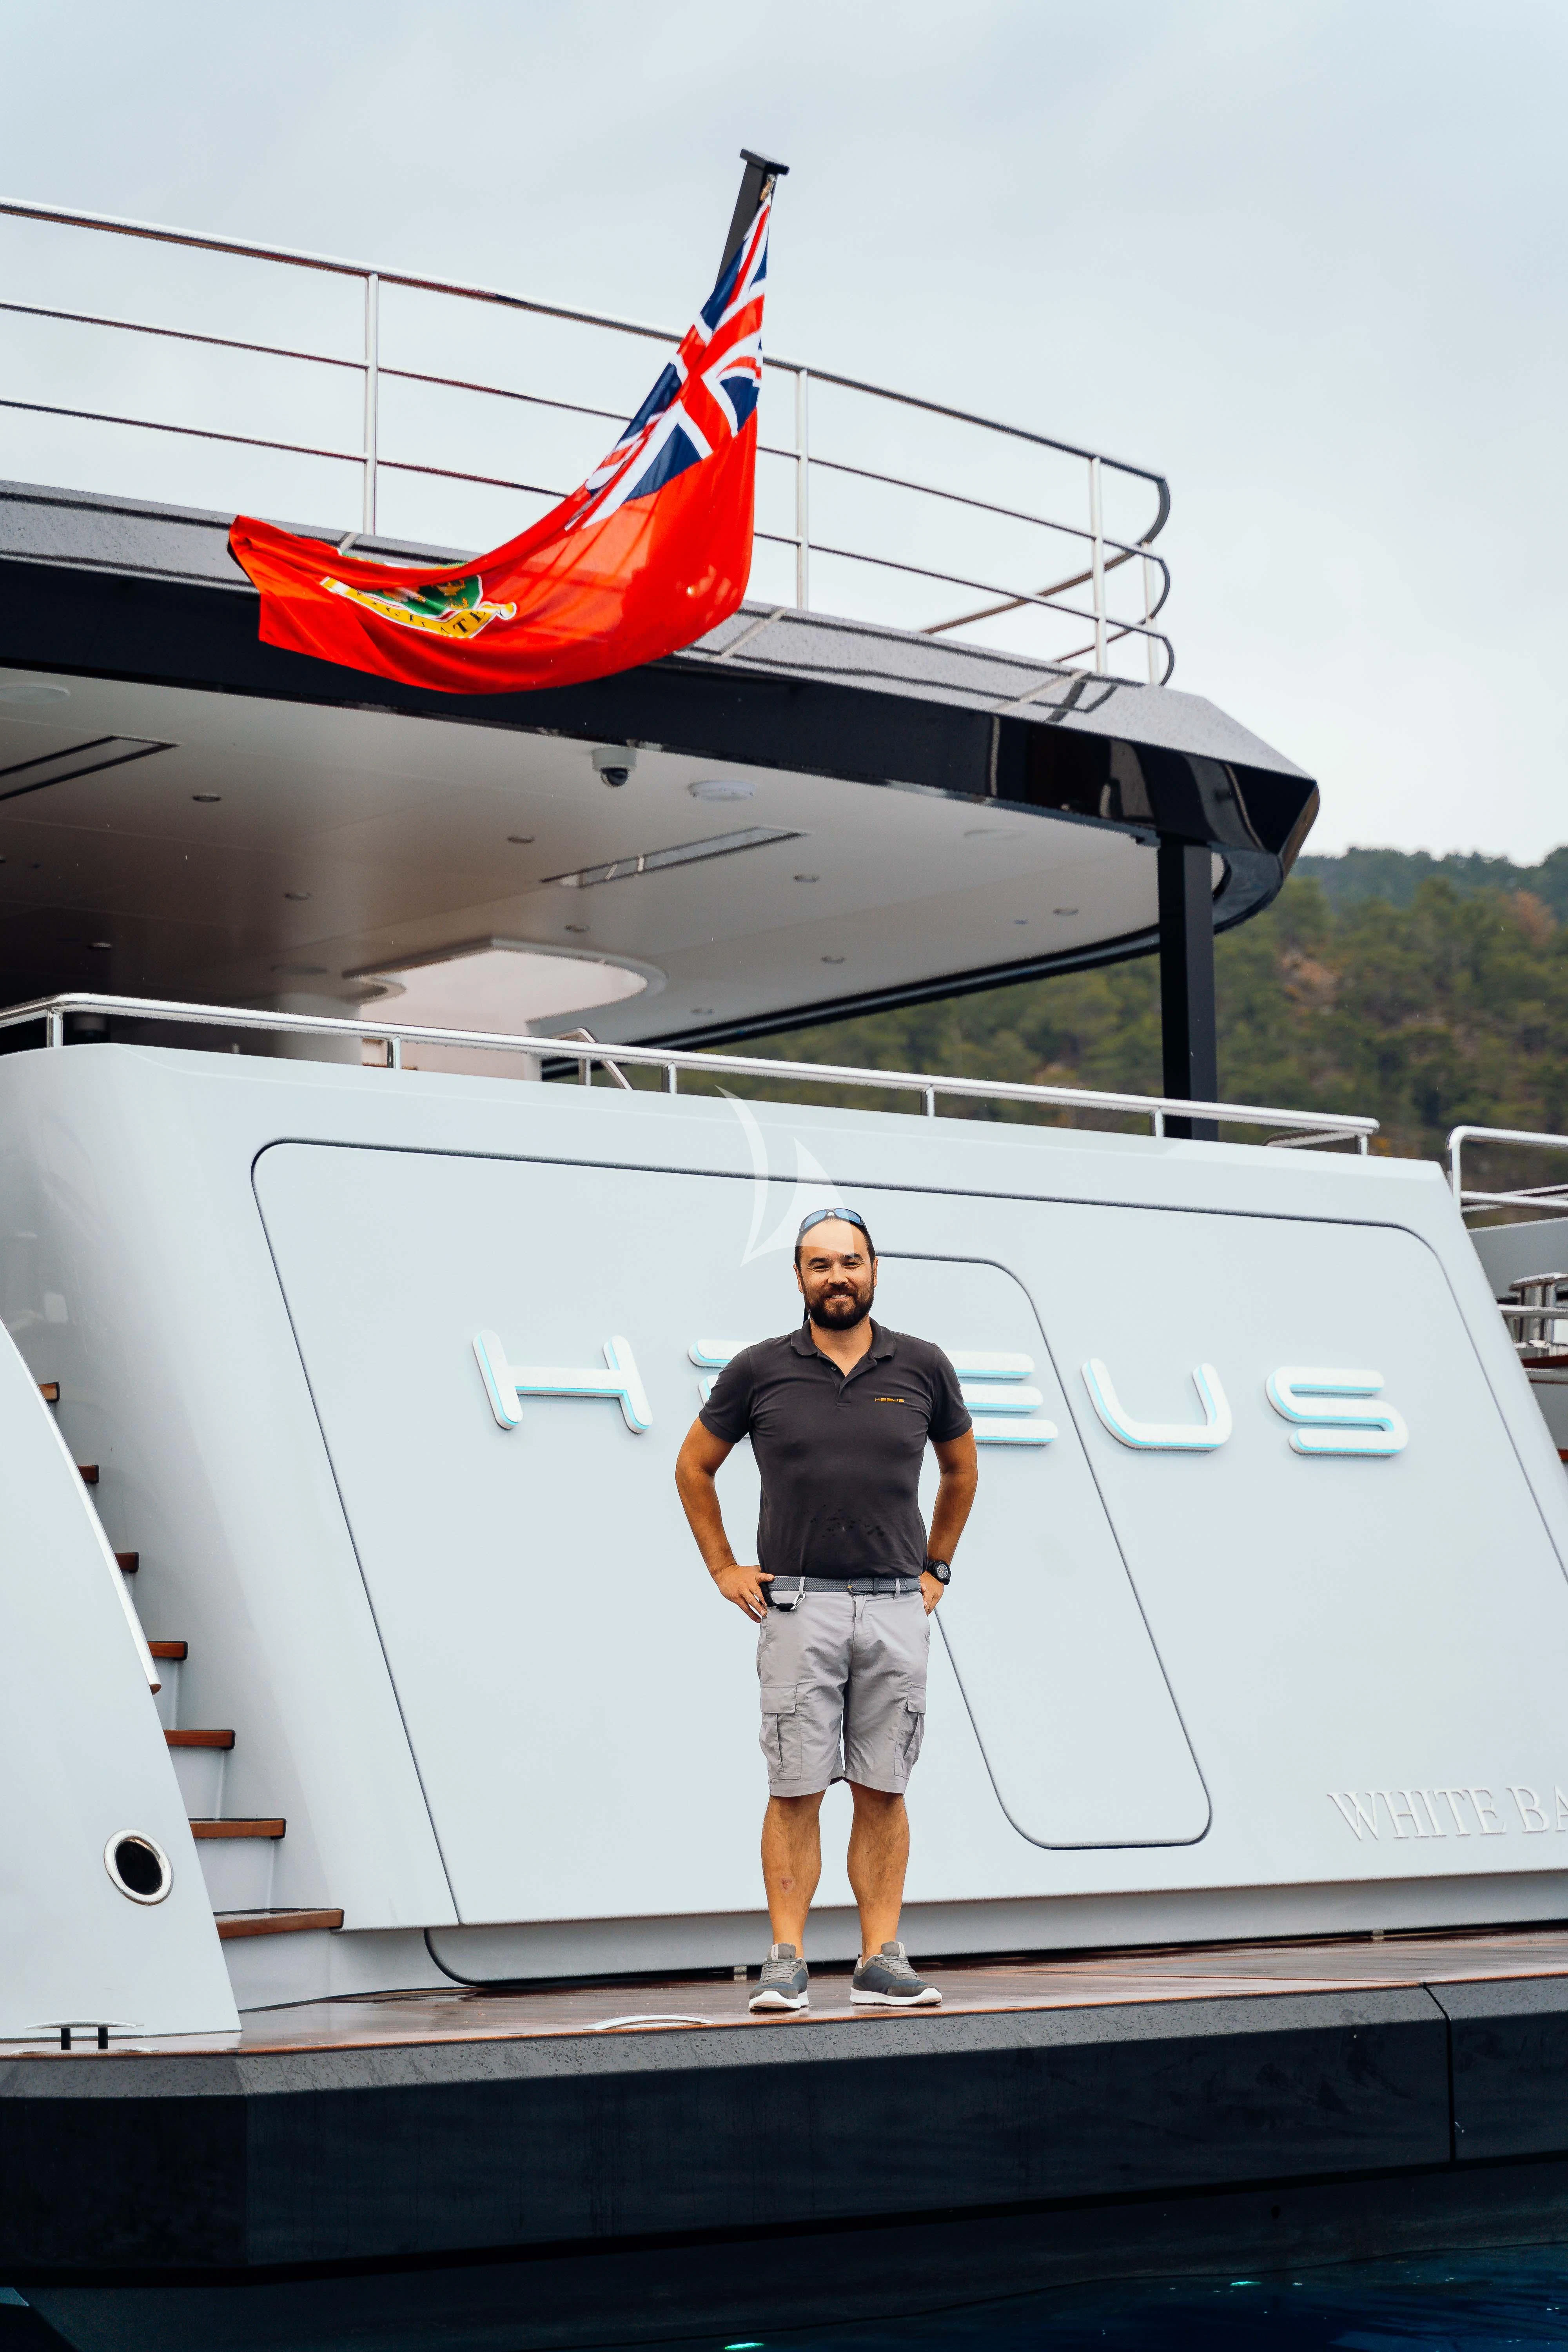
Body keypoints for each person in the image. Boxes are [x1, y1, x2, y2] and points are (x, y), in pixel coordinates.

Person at [675, 1207, 978, 2012]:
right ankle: (785, 1960)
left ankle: (880, 1959)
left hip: (892, 1606)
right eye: (818, 1265)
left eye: (849, 1262)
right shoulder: (758, 1370)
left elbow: (960, 1470)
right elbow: (693, 1467)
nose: (836, 1277)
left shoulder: (921, 1365)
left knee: (883, 1788)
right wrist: (722, 1566)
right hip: (797, 1607)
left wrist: (936, 1567)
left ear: (873, 1269)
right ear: (799, 1278)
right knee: (794, 1786)